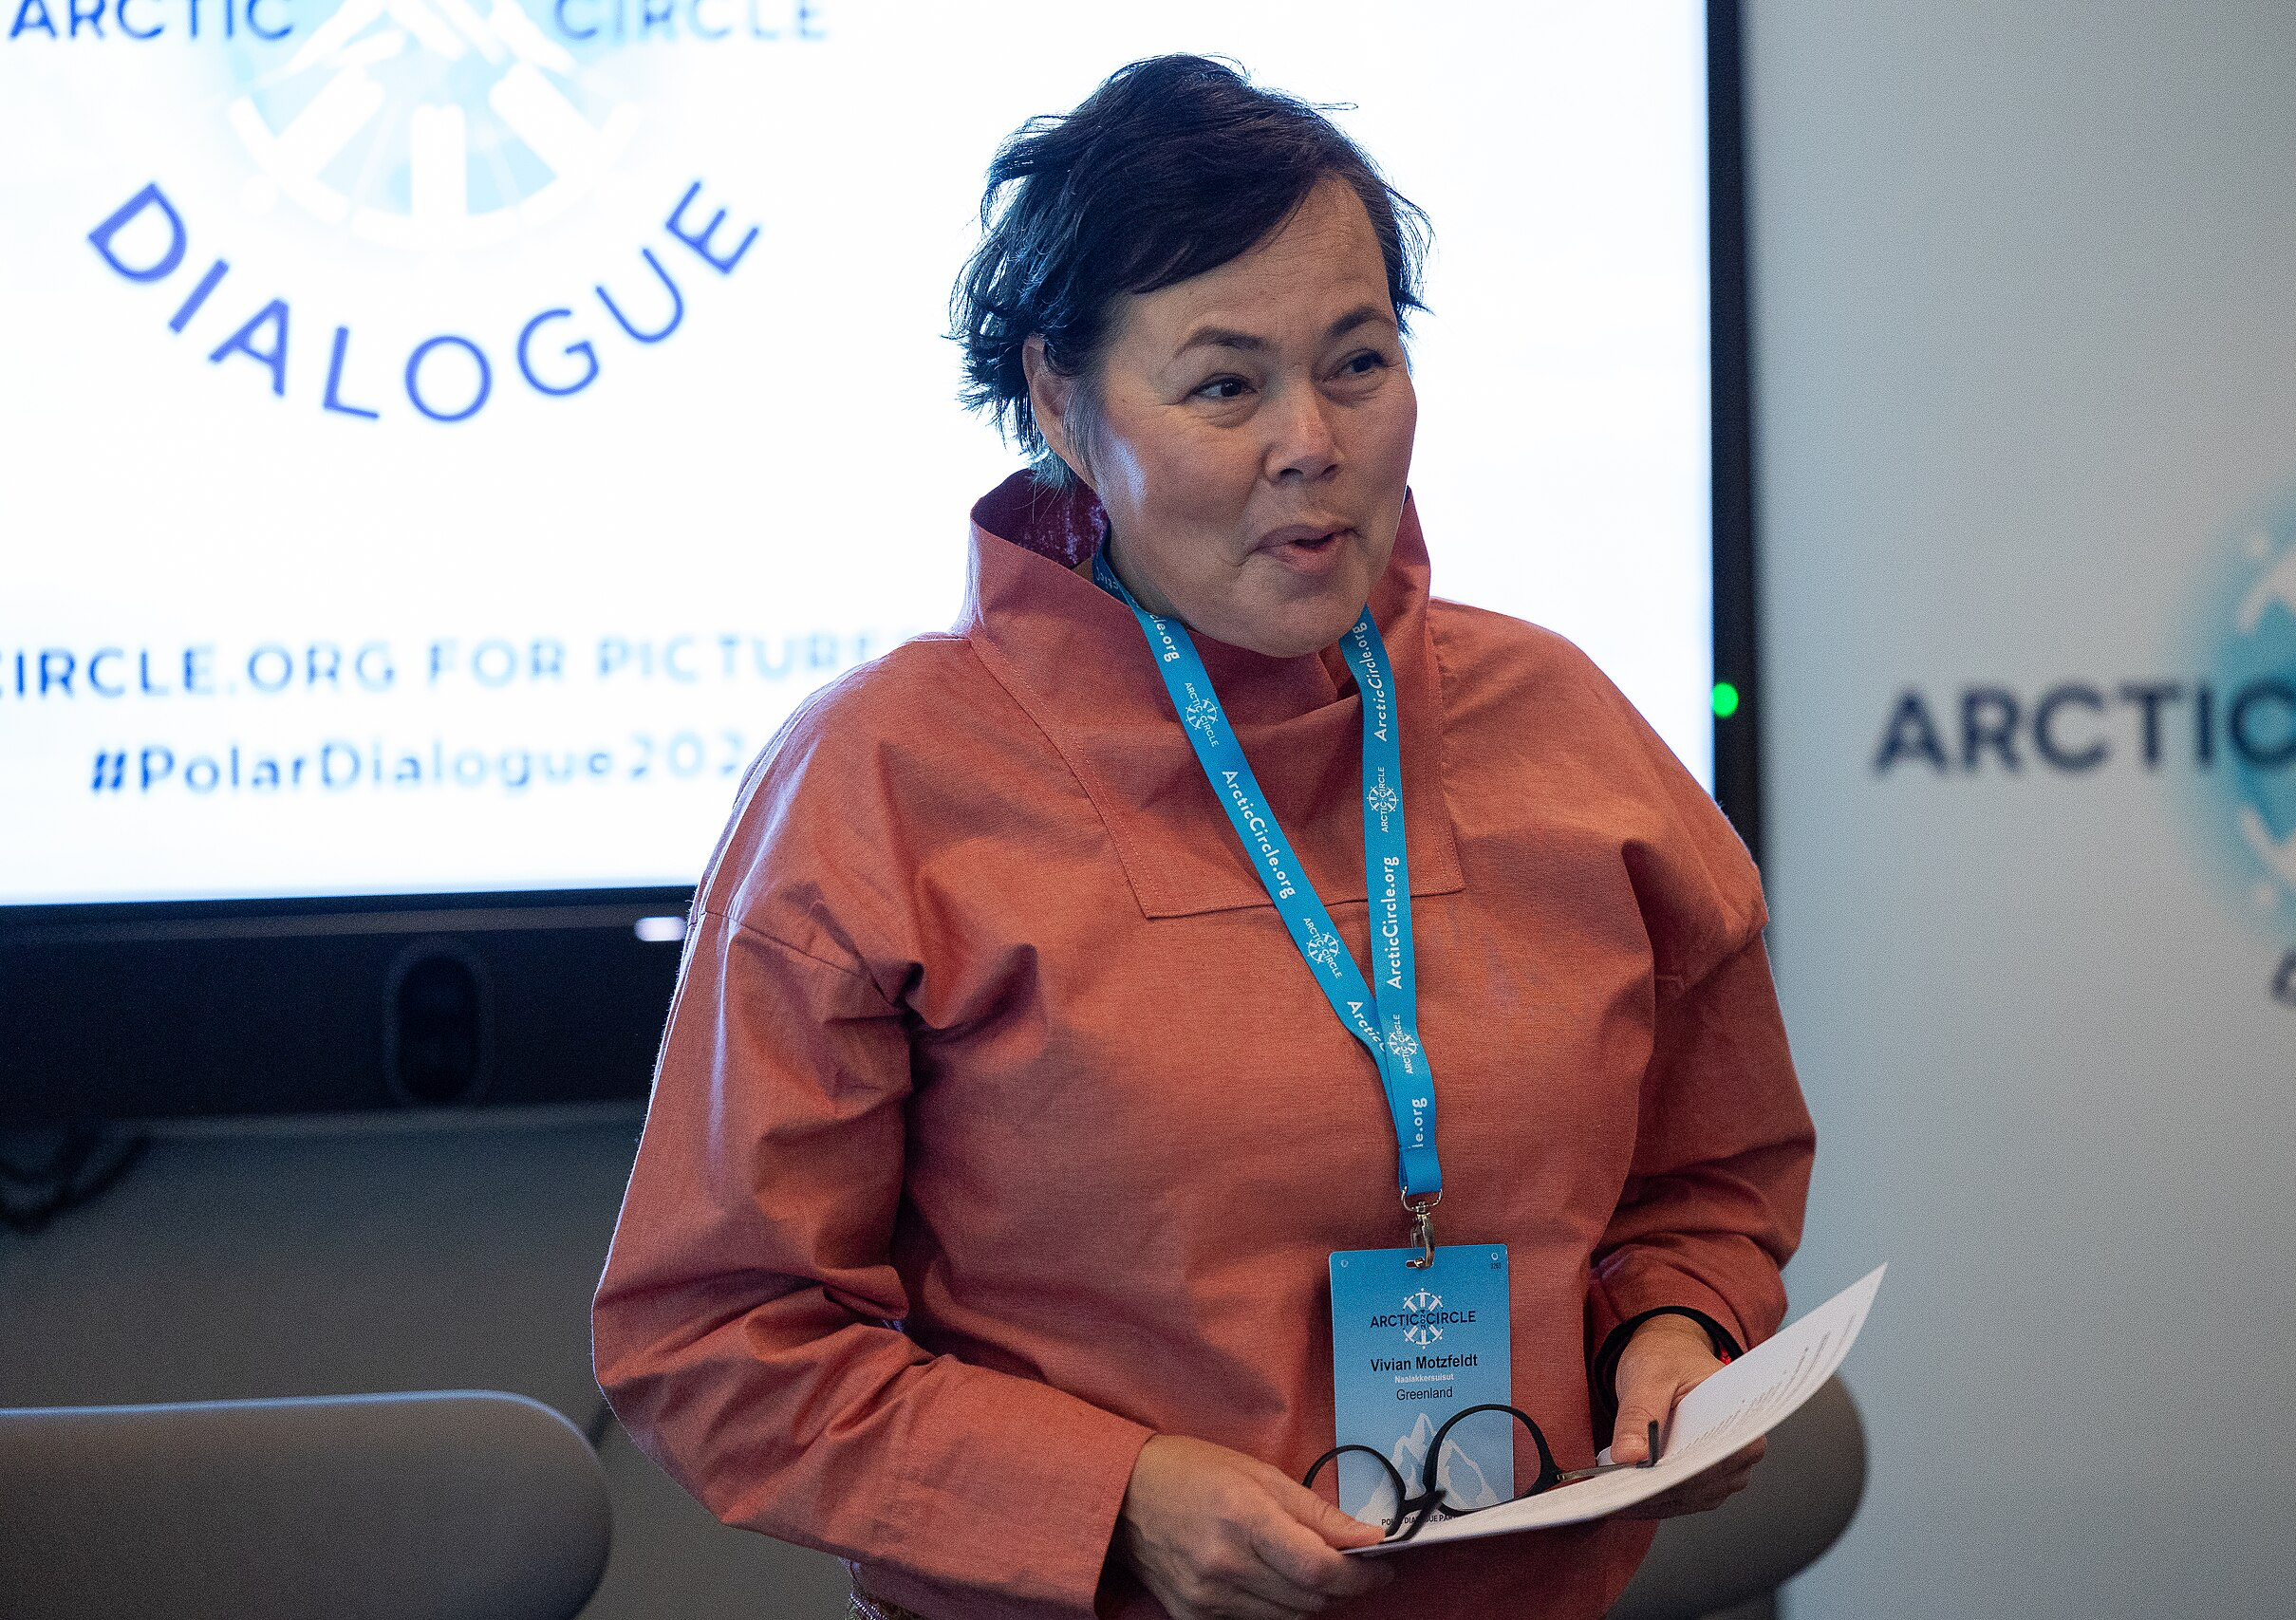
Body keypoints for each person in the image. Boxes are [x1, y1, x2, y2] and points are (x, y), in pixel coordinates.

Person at [592, 54, 1814, 1620]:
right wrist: (1110, 1500)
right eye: (1225, 386)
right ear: (1060, 399)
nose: (1313, 441)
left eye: (1359, 362)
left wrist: (1677, 1327)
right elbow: (718, 1333)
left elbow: (1709, 1177)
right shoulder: (880, 781)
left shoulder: (1563, 723)